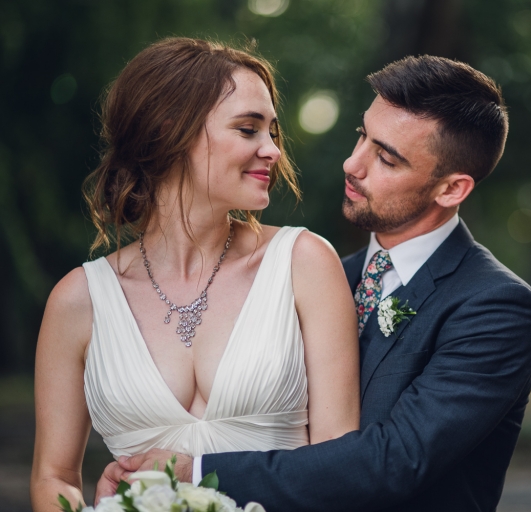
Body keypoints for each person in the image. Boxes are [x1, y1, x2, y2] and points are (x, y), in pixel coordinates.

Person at [108, 55, 531, 512]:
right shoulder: (317, 279)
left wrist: (193, 473)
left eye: (386, 158)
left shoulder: (494, 306)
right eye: (362, 137)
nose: (352, 165)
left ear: (451, 190)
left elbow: (394, 461)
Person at [30, 37, 360, 511]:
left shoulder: (304, 263)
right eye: (248, 130)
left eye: (272, 132)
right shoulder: (78, 300)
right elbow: (53, 477)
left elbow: (338, 463)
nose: (273, 151)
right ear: (170, 133)